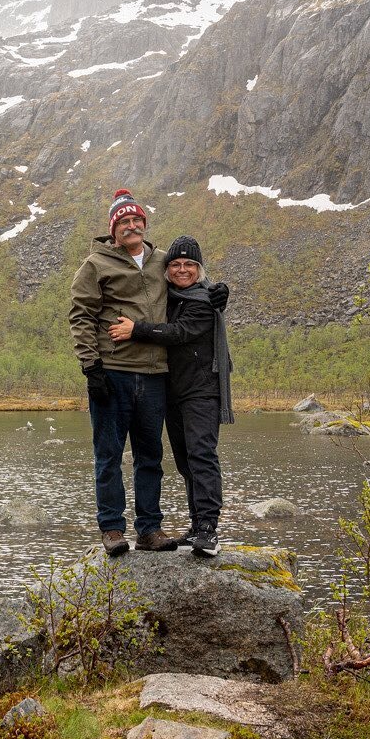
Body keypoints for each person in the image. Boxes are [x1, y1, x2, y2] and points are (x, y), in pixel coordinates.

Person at [68, 189, 178, 556]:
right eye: (124, 222)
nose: (131, 226)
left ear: (145, 224)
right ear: (113, 230)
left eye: (137, 221)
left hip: (155, 373)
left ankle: (150, 529)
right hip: (112, 372)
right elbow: (81, 315)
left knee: (150, 456)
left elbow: (188, 283)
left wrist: (214, 295)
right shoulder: (96, 265)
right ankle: (113, 529)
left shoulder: (162, 261)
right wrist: (91, 367)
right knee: (109, 455)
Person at [109, 235, 233, 558]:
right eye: (175, 264)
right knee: (185, 461)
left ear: (199, 268)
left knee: (202, 456)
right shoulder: (170, 297)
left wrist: (136, 329)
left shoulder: (205, 302)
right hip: (173, 392)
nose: (181, 270)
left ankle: (208, 529)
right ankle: (196, 523)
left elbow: (178, 334)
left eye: (189, 264)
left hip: (202, 391)